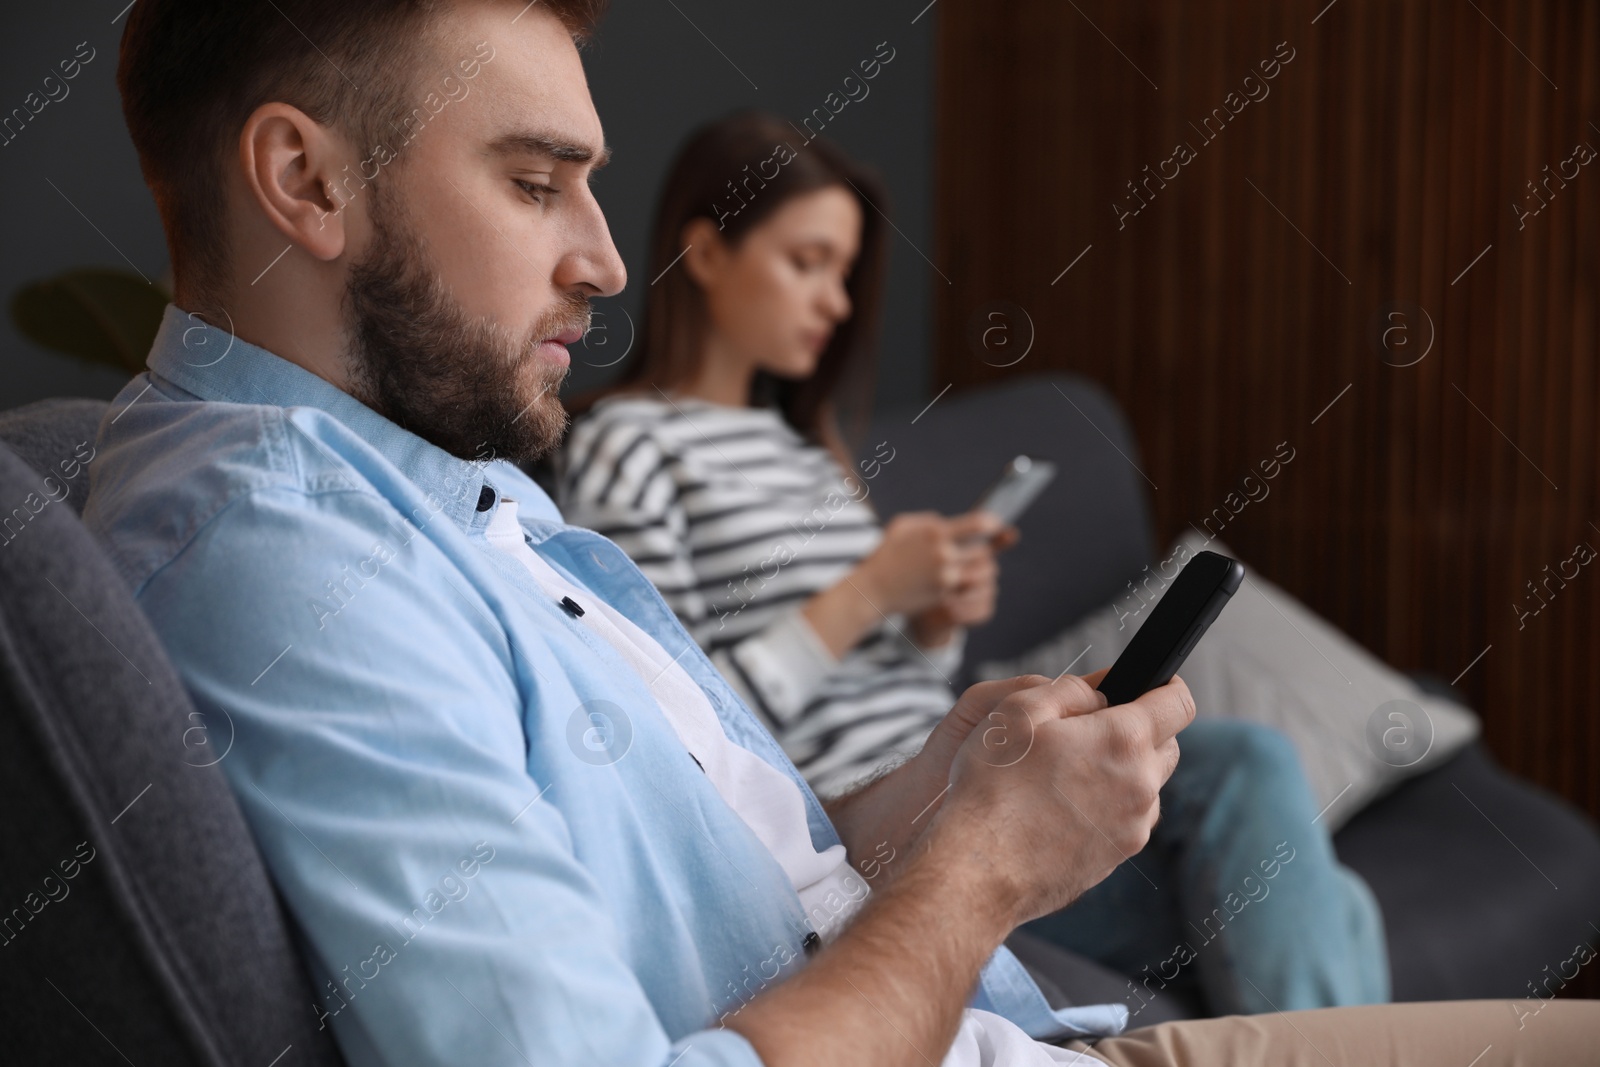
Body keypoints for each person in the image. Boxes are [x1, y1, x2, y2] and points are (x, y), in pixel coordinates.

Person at [86, 2, 1594, 1065]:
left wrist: (950, 783)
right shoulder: (284, 560)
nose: (606, 258)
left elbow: (744, 852)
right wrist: (985, 867)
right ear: (305, 180)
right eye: (536, 180)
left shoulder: (461, 488)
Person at [558, 112, 1381, 1018]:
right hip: (873, 833)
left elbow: (888, 687)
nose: (836, 302)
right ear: (707, 256)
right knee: (1252, 779)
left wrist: (927, 624)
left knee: (1323, 887)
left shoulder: (803, 451)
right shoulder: (627, 445)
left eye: (844, 271)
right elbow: (671, 731)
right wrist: (868, 590)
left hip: (956, 775)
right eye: (807, 262)